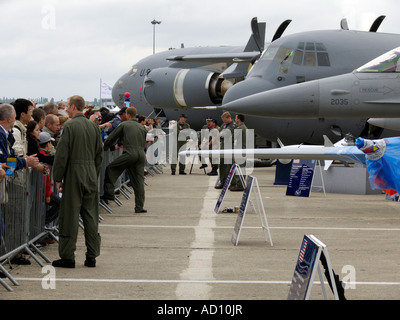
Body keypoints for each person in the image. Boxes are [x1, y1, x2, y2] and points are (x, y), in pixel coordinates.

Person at [51, 95, 103, 268]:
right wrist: (93, 174)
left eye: (67, 105)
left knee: (70, 215)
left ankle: (68, 256)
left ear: (73, 107)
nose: (66, 108)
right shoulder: (93, 127)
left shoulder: (69, 125)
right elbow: (99, 154)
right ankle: (92, 256)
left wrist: (58, 177)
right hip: (90, 173)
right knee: (90, 215)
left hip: (74, 172)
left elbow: (62, 154)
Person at [102, 107, 147, 213]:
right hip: (140, 154)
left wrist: (104, 147)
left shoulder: (124, 125)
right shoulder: (142, 128)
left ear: (127, 115)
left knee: (111, 168)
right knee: (139, 181)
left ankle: (108, 194)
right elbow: (143, 142)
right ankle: (139, 207)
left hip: (130, 153)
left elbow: (112, 137)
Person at [215, 112, 236, 189]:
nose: (224, 122)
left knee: (230, 166)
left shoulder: (234, 126)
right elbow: (220, 135)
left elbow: (233, 137)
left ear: (228, 118)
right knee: (222, 165)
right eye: (223, 120)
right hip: (223, 148)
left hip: (230, 148)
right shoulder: (223, 125)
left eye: (225, 120)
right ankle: (222, 182)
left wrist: (224, 136)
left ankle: (233, 183)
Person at [229, 114, 247, 191]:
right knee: (239, 167)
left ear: (239, 119)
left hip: (240, 150)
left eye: (235, 118)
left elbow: (232, 138)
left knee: (240, 168)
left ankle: (240, 185)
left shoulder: (240, 128)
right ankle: (238, 184)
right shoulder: (242, 127)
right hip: (240, 150)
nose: (234, 119)